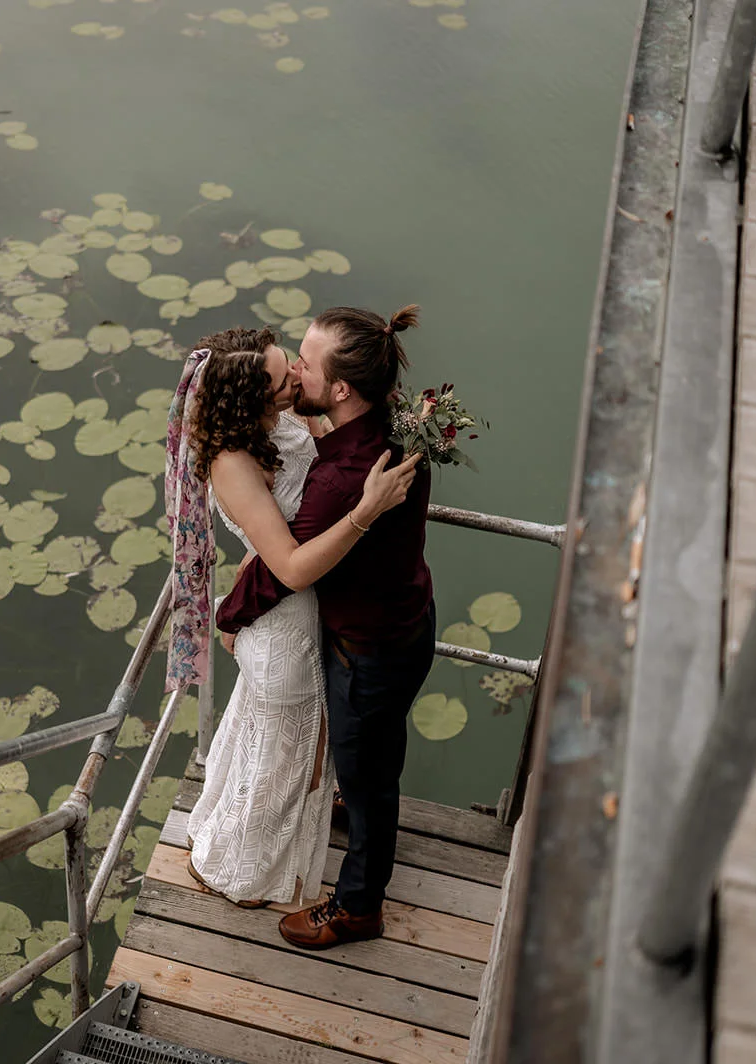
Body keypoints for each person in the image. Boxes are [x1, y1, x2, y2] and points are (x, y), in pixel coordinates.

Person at [163, 325, 419, 908]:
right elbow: (293, 568)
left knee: (276, 753)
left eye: (294, 364)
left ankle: (245, 842)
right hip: (285, 628)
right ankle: (247, 875)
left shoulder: (286, 419)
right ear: (253, 398)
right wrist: (367, 510)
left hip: (296, 613)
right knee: (286, 766)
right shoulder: (232, 463)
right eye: (285, 377)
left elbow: (332, 431)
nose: (297, 378)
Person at [217, 304, 435, 949]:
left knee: (371, 782)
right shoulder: (396, 427)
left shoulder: (344, 479)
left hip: (366, 648)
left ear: (341, 389)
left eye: (304, 365)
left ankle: (357, 906)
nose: (295, 375)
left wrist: (229, 616)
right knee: (371, 754)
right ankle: (349, 793)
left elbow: (285, 571)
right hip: (410, 619)